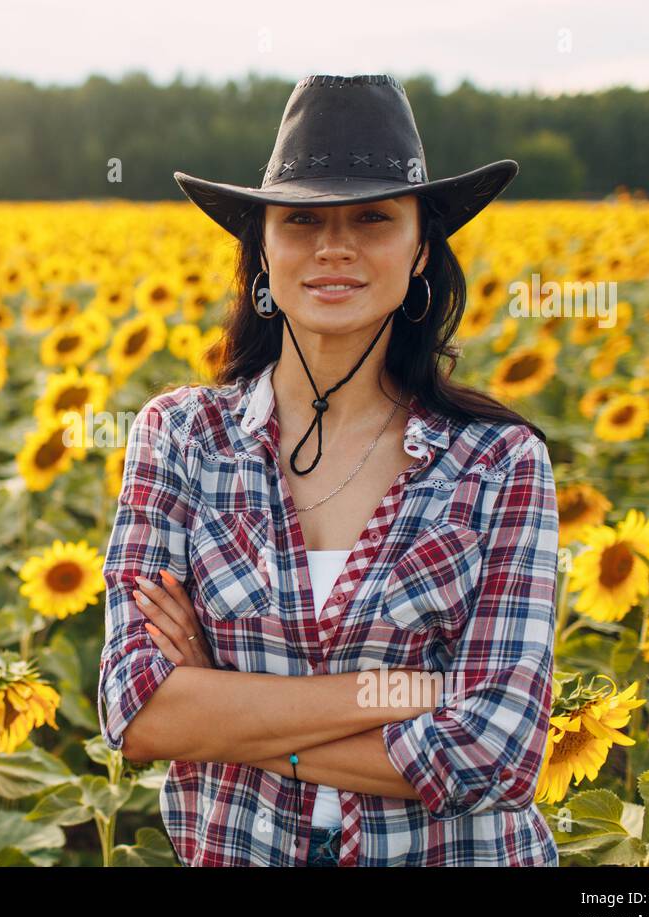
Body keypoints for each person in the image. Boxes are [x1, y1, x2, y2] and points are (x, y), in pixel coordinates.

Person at [97, 73, 560, 866]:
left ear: (420, 252)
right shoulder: (180, 438)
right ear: (262, 253)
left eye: (373, 218)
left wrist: (221, 706)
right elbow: (135, 712)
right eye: (302, 220)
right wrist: (415, 692)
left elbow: (496, 751)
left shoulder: (499, 463)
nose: (334, 246)